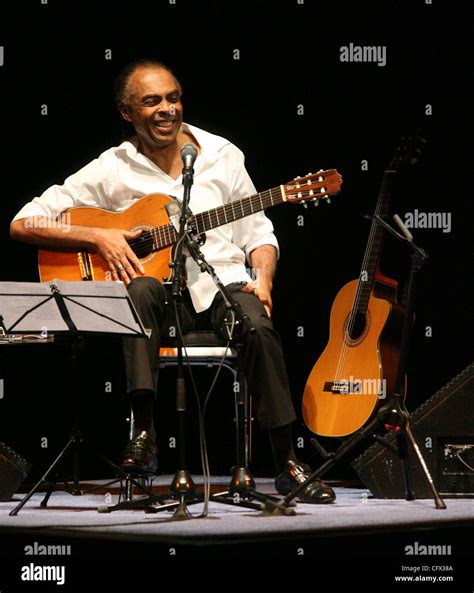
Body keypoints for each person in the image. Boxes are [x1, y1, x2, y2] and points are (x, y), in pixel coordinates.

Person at [10, 59, 335, 504]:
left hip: (224, 285)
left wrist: (264, 277)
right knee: (140, 288)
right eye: (151, 101)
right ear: (128, 113)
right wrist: (100, 235)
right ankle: (143, 434)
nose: (166, 109)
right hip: (164, 298)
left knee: (258, 327)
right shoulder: (112, 168)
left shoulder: (223, 154)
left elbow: (259, 233)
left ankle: (286, 462)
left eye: (173, 98)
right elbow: (24, 222)